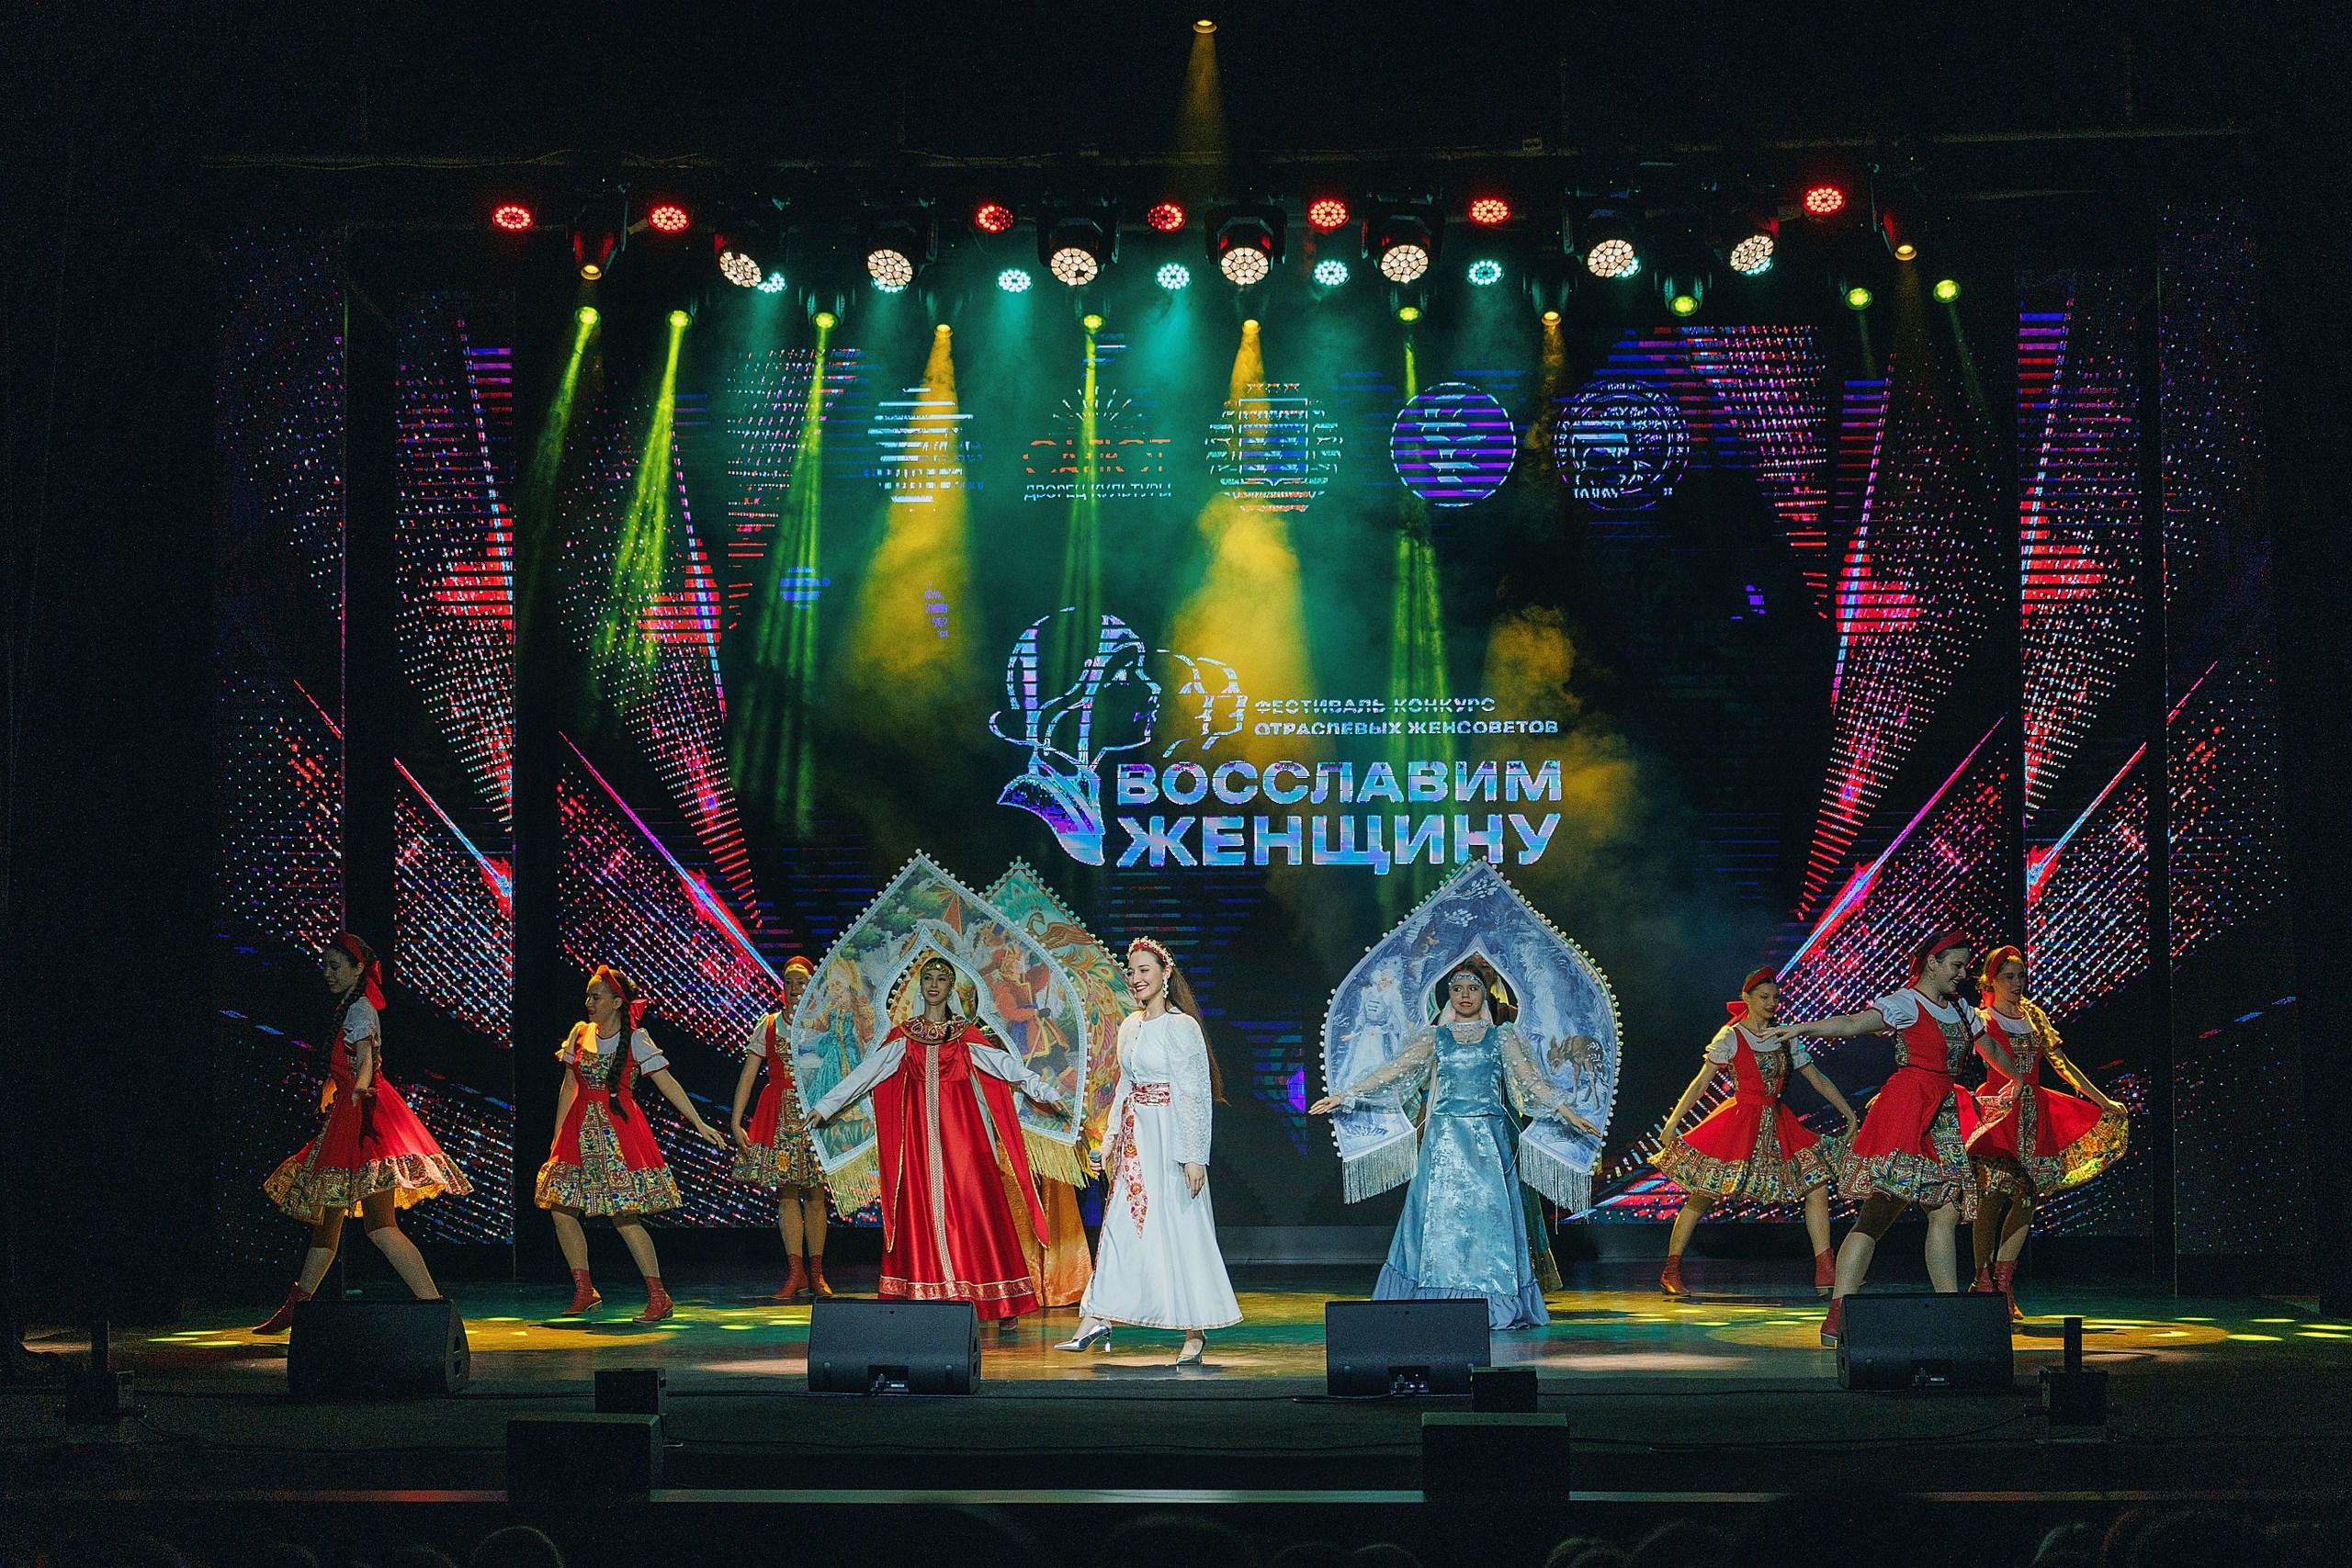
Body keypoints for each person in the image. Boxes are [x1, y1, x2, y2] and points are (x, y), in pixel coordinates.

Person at [1310, 959, 1601, 1329]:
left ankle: (1492, 1301)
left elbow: (1531, 1082)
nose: (1465, 995)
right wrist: (1346, 1095)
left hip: (1488, 1142)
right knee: (1439, 1220)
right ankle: (1434, 1298)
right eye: (1458, 989)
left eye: (1473, 988)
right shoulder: (1435, 1037)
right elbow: (1393, 1071)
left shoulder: (1503, 1037)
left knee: (1491, 1221)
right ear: (1449, 994)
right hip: (1445, 1139)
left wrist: (1568, 1113)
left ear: (1485, 994)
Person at [808, 953, 1067, 1321]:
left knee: (977, 1210)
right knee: (922, 1213)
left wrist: (1045, 1091)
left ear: (950, 988)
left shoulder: (964, 1035)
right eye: (928, 978)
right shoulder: (905, 1037)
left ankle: (999, 1297)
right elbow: (867, 1073)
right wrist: (826, 1106)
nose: (933, 985)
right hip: (919, 1143)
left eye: (941, 979)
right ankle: (929, 1293)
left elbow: (1006, 1067)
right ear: (921, 986)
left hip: (963, 1139)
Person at [1766, 930, 1983, 1348]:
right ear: (1933, 963)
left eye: (1965, 967)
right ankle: (1838, 1314)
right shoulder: (1906, 1003)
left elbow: (1989, 1046)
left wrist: (2017, 1080)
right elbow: (1852, 1024)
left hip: (1942, 1113)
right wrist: (1802, 1027)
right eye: (1956, 966)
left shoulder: (1961, 1010)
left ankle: (1949, 1312)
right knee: (1878, 1214)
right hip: (1907, 1109)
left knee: (1945, 1209)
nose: (1962, 974)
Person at [254, 932, 469, 1333]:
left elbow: (367, 1060)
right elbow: (350, 1061)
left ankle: (435, 1307)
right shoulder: (349, 1008)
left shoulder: (361, 1010)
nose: (328, 973)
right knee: (328, 1221)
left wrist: (358, 1088)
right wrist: (333, 1087)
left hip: (366, 1119)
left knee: (379, 1225)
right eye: (325, 965)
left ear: (357, 969)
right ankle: (297, 1304)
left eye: (336, 966)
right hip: (349, 1114)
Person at [1056, 936, 1241, 1364]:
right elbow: (1125, 1085)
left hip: (1171, 1139)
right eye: (1132, 971)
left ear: (1165, 974)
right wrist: (1109, 1140)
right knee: (1121, 1226)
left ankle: (1195, 1330)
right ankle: (1096, 1316)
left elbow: (1194, 1095)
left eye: (1145, 971)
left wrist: (1194, 1155)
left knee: (1183, 1227)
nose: (1136, 978)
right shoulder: (1130, 1026)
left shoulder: (1181, 1026)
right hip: (1136, 1141)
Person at [536, 965, 729, 1324]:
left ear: (616, 1002)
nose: (589, 1002)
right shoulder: (580, 1033)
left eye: (596, 996)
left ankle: (658, 1296)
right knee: (561, 1209)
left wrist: (698, 1122)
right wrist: (557, 1135)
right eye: (588, 995)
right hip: (578, 1131)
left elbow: (667, 1083)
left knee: (624, 1216)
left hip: (618, 1133)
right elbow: (569, 1086)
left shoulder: (636, 1039)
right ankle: (584, 1290)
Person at [1652, 967, 1859, 1298]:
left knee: (1817, 1185)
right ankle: (1671, 1271)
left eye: (1775, 997)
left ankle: (1825, 1272)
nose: (1772, 1003)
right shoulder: (1731, 1036)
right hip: (1740, 1122)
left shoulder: (1784, 1035)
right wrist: (1673, 1122)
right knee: (1704, 1192)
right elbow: (1701, 1083)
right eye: (1764, 997)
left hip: (1778, 1123)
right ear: (1746, 998)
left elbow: (1816, 1078)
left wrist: (1847, 1112)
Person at [1963, 945, 2129, 1320]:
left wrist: (2102, 1100)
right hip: (1999, 1111)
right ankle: (1982, 1280)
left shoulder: (2035, 1016)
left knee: (2026, 1199)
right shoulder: (1980, 1018)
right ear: (1991, 980)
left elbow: (2062, 1064)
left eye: (2021, 976)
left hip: (2035, 1114)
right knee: (1991, 1196)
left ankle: (2004, 1283)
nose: (2017, 983)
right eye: (2009, 977)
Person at [729, 956, 831, 1301]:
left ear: (813, 986)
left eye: (801, 982)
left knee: (815, 1194)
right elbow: (748, 1073)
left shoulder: (825, 1023)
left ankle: (816, 1273)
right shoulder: (770, 1024)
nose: (794, 988)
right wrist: (736, 1118)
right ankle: (795, 1273)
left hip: (813, 1114)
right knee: (786, 1192)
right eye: (788, 982)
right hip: (780, 1118)